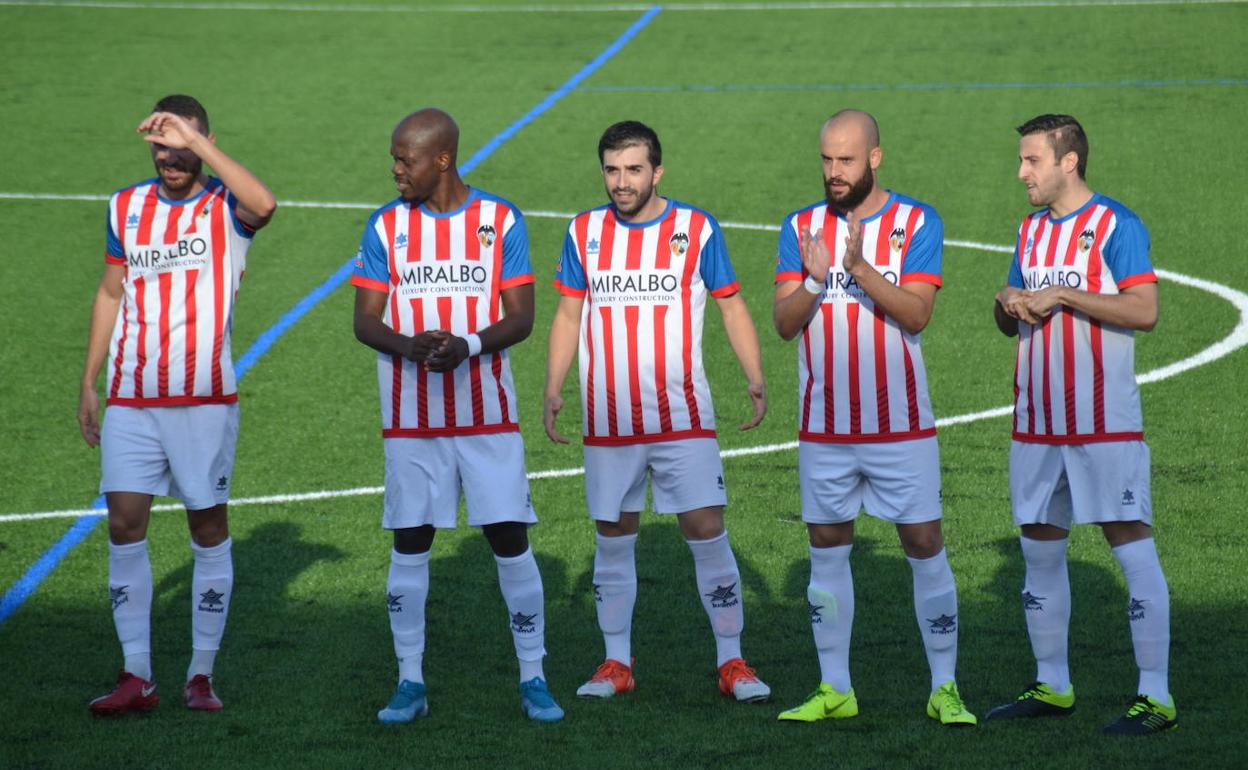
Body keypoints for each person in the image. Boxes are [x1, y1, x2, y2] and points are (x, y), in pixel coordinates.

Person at [543, 120, 771, 704]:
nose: (622, 182)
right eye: (612, 170)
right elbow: (569, 314)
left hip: (683, 417)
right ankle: (616, 662)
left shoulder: (695, 228)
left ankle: (732, 662)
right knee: (613, 538)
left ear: (657, 171)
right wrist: (553, 387)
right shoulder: (584, 231)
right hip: (609, 421)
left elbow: (731, 304)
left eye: (634, 170)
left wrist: (754, 376)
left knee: (707, 531)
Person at [350, 108, 562, 724]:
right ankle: (409, 681)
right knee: (410, 544)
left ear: (441, 159)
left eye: (404, 160)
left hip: (486, 417)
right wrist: (407, 345)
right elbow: (365, 320)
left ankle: (534, 676)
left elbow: (521, 317)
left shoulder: (500, 220)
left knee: (509, 540)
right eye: (394, 158)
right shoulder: (386, 227)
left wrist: (465, 345)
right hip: (410, 421)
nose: (395, 171)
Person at [771, 110, 975, 726]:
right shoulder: (801, 226)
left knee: (923, 543)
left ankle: (945, 687)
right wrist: (813, 280)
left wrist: (857, 268)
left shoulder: (918, 221)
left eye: (847, 161)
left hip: (901, 425)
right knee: (826, 549)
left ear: (875, 159)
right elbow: (784, 324)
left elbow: (916, 314)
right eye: (827, 161)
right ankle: (835, 687)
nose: (834, 173)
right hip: (825, 429)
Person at [78, 94, 277, 715]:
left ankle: (200, 674)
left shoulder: (225, 206)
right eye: (161, 145)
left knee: (206, 527)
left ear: (202, 142)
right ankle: (137, 674)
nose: (170, 157)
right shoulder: (126, 207)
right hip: (132, 399)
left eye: (181, 145)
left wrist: (198, 141)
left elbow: (266, 204)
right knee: (123, 524)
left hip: (203, 401)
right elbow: (112, 292)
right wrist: (91, 379)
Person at [988, 114, 1174, 735]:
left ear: (1068, 161)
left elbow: (1144, 311)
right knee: (1039, 552)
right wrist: (1007, 304)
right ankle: (1052, 684)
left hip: (1103, 422)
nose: (1021, 173)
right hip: (1036, 422)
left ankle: (1156, 697)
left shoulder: (1117, 225)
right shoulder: (1031, 231)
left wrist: (1064, 297)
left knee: (1132, 547)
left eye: (1031, 161)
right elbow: (1015, 311)